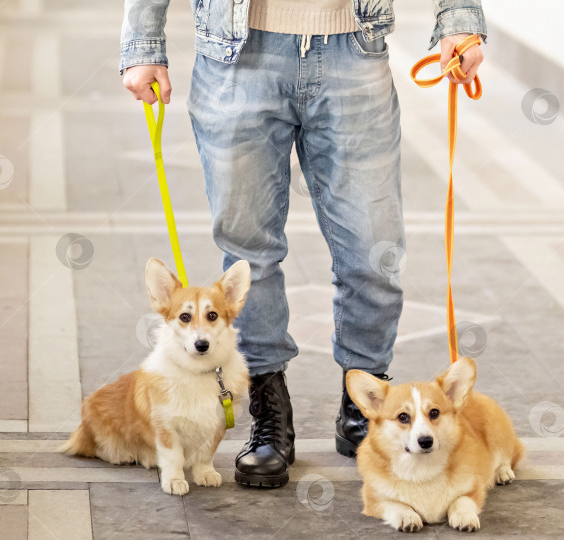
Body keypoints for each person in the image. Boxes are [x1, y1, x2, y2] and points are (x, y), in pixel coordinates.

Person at [119, 0, 486, 488]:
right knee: (249, 255)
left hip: (353, 50)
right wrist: (144, 40)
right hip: (237, 56)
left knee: (374, 251)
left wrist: (459, 20)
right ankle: (269, 409)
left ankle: (367, 402)